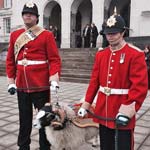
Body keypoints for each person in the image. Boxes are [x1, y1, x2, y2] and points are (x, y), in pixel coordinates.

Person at [78, 12, 148, 150]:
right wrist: (85, 104)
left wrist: (128, 110)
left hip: (123, 107)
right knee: (106, 146)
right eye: (107, 33)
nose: (110, 36)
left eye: (114, 33)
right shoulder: (101, 54)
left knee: (124, 146)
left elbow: (139, 87)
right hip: (103, 109)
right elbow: (94, 82)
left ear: (122, 33)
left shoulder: (135, 54)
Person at [6, 2, 61, 150]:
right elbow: (11, 59)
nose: (27, 15)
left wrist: (54, 78)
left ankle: (45, 147)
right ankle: (23, 147)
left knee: (44, 120)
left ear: (37, 17)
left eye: (31, 13)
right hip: (22, 85)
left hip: (40, 85)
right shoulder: (15, 35)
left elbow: (54, 59)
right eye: (25, 13)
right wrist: (11, 81)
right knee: (24, 120)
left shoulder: (46, 35)